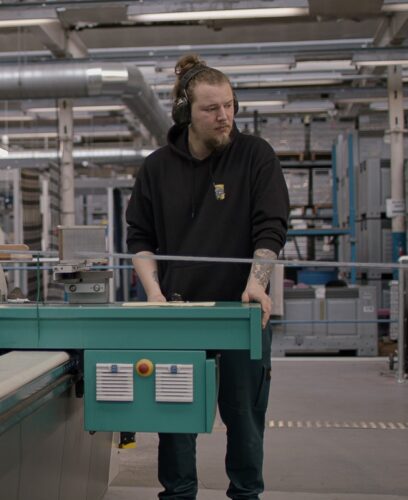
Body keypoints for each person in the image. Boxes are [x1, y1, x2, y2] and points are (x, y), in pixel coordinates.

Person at [126, 54, 289, 500]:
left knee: (245, 419)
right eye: (212, 109)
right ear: (186, 112)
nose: (225, 118)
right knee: (175, 423)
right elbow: (140, 235)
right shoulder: (157, 168)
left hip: (241, 314)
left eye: (230, 106)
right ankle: (178, 495)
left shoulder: (255, 155)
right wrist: (155, 294)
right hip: (180, 316)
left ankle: (245, 495)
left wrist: (257, 281)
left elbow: (271, 225)